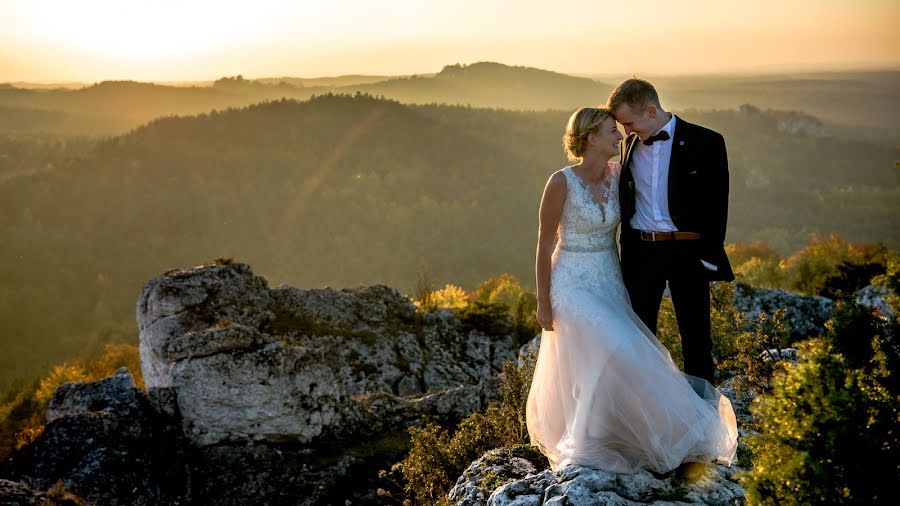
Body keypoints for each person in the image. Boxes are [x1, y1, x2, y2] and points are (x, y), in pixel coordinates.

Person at [525, 106, 737, 474]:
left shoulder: (618, 174)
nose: (621, 137)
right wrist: (543, 301)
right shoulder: (560, 182)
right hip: (571, 282)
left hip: (609, 278)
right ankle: (584, 441)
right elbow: (543, 245)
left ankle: (622, 432)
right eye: (612, 131)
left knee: (613, 358)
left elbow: (661, 191)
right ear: (591, 138)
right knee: (618, 345)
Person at [608, 78, 734, 383]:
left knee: (696, 339)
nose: (626, 132)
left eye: (629, 123)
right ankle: (644, 408)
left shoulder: (707, 141)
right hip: (642, 252)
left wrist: (709, 255)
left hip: (688, 251)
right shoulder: (628, 146)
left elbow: (717, 204)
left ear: (651, 111)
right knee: (640, 337)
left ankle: (704, 414)